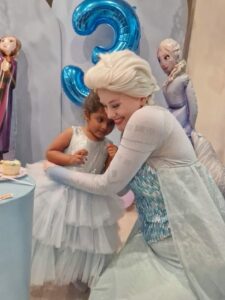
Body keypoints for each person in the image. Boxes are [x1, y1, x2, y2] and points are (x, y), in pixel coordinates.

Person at [44, 49, 225, 300]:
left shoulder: (145, 119)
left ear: (141, 95)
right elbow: (121, 188)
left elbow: (108, 185)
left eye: (115, 105)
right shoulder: (140, 120)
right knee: (108, 287)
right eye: (106, 106)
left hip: (180, 245)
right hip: (155, 237)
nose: (109, 115)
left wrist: (55, 172)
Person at [27, 91, 123, 290]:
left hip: (90, 194)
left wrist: (113, 159)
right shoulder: (74, 133)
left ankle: (79, 271)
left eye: (110, 123)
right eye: (100, 119)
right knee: (60, 233)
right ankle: (59, 267)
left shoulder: (108, 145)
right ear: (87, 115)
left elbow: (104, 175)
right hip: (64, 190)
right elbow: (51, 152)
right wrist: (70, 159)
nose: (105, 127)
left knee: (85, 238)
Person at [157, 38, 225, 197]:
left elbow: (193, 107)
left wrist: (189, 128)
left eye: (166, 57)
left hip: (184, 125)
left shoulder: (183, 80)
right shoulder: (168, 82)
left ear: (176, 56)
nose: (162, 63)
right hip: (172, 122)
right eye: (159, 60)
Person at [0, 35, 21, 159]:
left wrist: (7, 72)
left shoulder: (13, 63)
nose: (5, 43)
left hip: (5, 101)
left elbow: (13, 84)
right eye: (2, 40)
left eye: (10, 41)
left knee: (3, 129)